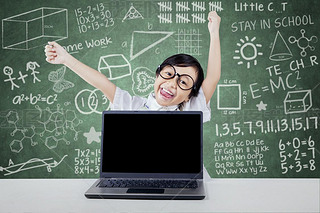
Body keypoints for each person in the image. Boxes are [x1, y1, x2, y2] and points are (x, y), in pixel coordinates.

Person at [45, 11, 221, 123]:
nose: (172, 83)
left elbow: (213, 77)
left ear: (190, 95)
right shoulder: (132, 106)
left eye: (183, 82)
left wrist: (214, 33)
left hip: (186, 179)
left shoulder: (192, 110)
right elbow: (102, 83)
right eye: (168, 73)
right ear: (158, 74)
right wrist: (66, 59)